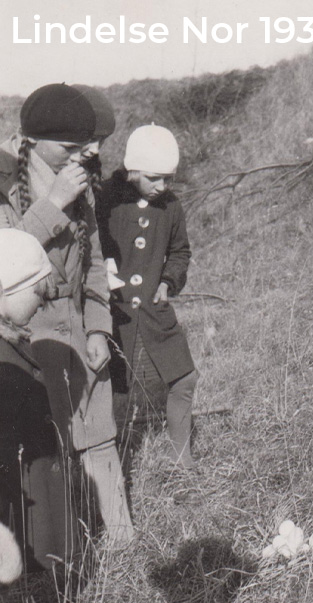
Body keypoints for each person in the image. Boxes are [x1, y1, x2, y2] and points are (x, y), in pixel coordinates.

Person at [0, 84, 132, 543]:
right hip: (26, 340)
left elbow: (93, 263)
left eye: (85, 146)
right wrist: (52, 203)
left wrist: (98, 328)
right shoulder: (4, 182)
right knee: (45, 452)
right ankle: (59, 558)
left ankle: (122, 541)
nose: (83, 155)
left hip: (78, 331)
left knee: (100, 439)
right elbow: (7, 262)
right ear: (31, 140)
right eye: (70, 148)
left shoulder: (78, 180)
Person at [98, 125, 200, 472]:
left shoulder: (170, 206)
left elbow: (180, 252)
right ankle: (109, 464)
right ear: (133, 171)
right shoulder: (107, 198)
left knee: (184, 378)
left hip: (155, 309)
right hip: (113, 312)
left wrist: (169, 281)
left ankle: (181, 460)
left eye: (169, 178)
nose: (162, 186)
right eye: (154, 178)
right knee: (110, 387)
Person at [0, 228, 82, 586]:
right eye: (37, 294)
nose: (41, 305)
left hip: (36, 481)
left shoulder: (13, 338)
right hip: (16, 495)